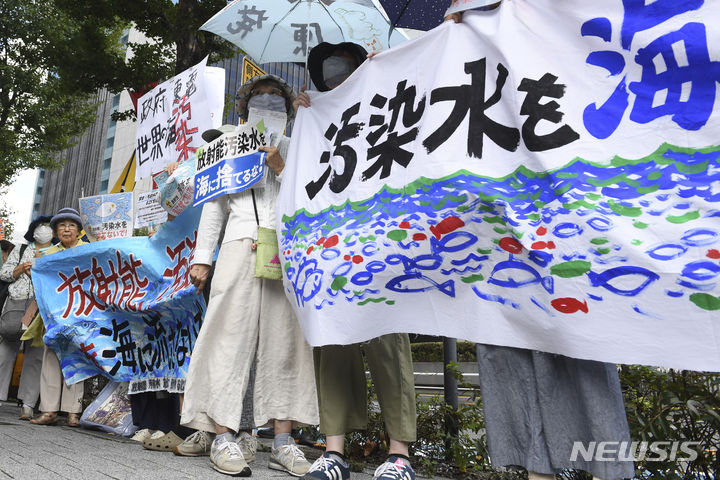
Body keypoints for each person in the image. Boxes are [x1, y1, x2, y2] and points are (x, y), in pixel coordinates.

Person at [444, 5, 634, 480]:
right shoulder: (459, 53)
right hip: (495, 223)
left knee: (577, 343)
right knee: (505, 344)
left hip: (562, 214)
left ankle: (602, 469)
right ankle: (536, 469)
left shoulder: (554, 28)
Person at [181, 74, 318, 477]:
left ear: (288, 107)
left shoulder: (300, 146)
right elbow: (213, 206)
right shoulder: (226, 145)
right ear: (244, 107)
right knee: (226, 336)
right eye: (259, 96)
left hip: (286, 251)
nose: (268, 102)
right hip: (239, 244)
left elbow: (315, 194)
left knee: (287, 342)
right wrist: (202, 257)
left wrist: (280, 167)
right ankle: (222, 435)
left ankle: (282, 441)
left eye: (276, 97)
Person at [294, 42, 418, 480]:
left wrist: (390, 66)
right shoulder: (314, 117)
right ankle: (334, 452)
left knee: (388, 347)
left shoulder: (390, 102)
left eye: (344, 66)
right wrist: (304, 117)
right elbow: (297, 180)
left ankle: (399, 455)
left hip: (382, 242)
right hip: (331, 248)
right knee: (333, 345)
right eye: (328, 70)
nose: (335, 75)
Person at [28, 208, 87, 426]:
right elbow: (39, 287)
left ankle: (73, 412)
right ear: (55, 231)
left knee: (77, 360)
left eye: (72, 225)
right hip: (54, 315)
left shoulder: (90, 250)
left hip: (81, 314)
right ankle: (49, 410)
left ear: (80, 231)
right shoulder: (46, 254)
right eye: (61, 225)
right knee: (51, 358)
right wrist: (31, 271)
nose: (66, 229)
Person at [0, 216, 53, 420]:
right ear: (33, 229)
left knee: (36, 354)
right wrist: (23, 267)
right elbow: (4, 274)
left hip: (41, 306)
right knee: (5, 351)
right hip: (16, 303)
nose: (44, 230)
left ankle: (28, 404)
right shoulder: (21, 249)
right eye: (41, 226)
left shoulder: (58, 252)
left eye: (49, 227)